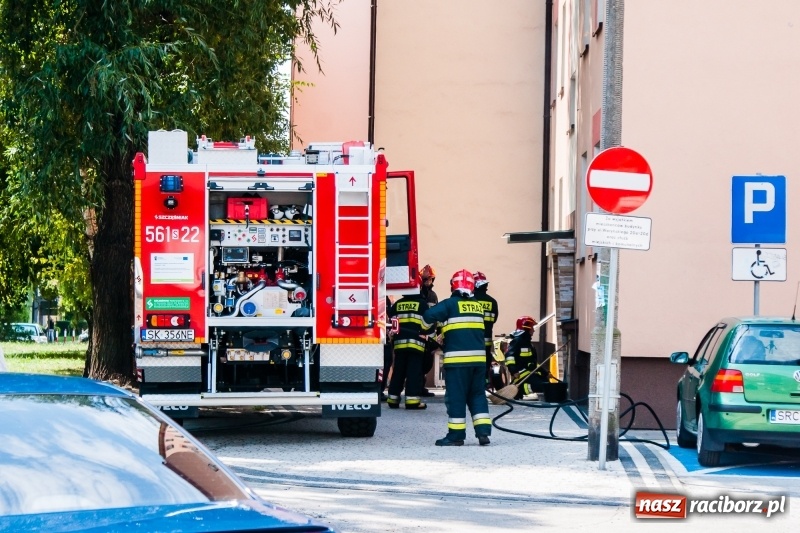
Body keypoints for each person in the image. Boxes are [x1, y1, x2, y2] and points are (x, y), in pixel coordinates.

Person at [422, 269, 491, 446]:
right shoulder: (477, 305)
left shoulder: (450, 304)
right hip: (479, 361)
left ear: (453, 285)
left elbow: (428, 317)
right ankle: (483, 433)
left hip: (458, 363)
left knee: (456, 398)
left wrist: (428, 328)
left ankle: (456, 436)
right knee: (477, 396)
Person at [386, 291, 433, 409]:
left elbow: (391, 321)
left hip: (399, 344)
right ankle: (412, 401)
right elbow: (428, 323)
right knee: (414, 372)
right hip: (416, 344)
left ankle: (393, 399)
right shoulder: (422, 304)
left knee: (398, 371)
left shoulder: (398, 304)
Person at [504, 315, 549, 399]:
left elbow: (533, 362)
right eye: (532, 327)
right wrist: (513, 370)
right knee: (542, 385)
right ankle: (520, 390)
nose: (533, 330)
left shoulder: (527, 342)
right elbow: (509, 356)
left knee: (546, 382)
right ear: (527, 328)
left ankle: (519, 390)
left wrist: (545, 372)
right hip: (520, 374)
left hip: (529, 372)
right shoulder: (517, 341)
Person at [472, 271, 498, 389]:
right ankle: (485, 380)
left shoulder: (470, 301)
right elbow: (494, 319)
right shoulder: (492, 302)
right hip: (486, 339)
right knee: (485, 360)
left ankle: (472, 381)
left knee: (472, 360)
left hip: (472, 338)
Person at [419, 264, 439, 397]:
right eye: (425, 279)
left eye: (430, 279)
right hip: (418, 335)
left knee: (427, 364)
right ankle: (417, 386)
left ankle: (422, 386)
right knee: (417, 363)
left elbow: (436, 316)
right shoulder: (417, 294)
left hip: (430, 336)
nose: (428, 282)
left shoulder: (433, 295)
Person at [380, 296, 394, 401]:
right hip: (383, 341)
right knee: (384, 364)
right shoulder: (383, 298)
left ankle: (380, 390)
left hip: (384, 340)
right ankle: (379, 390)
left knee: (386, 363)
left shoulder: (384, 299)